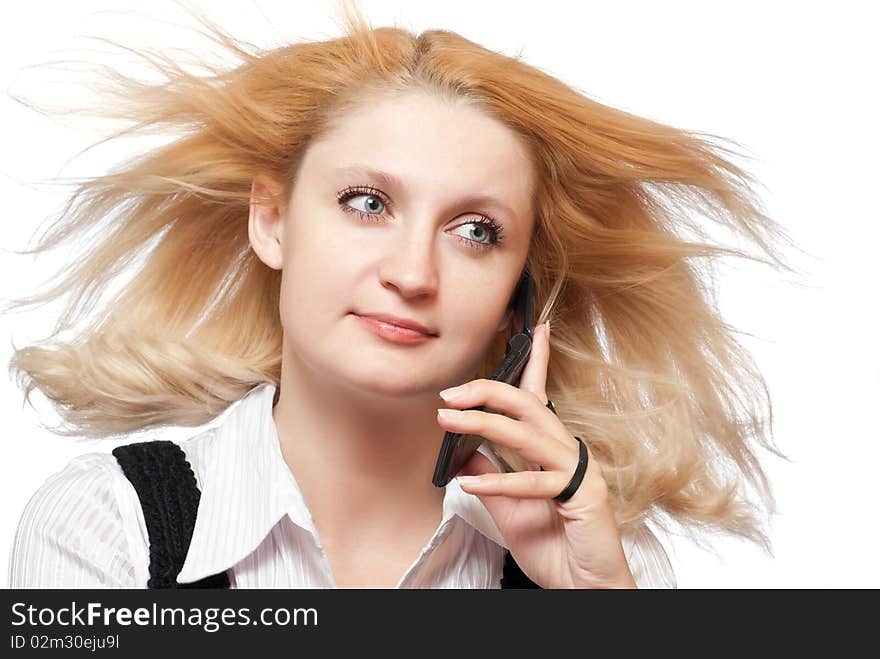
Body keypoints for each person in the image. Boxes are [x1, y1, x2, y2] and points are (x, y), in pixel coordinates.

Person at [4, 1, 797, 589]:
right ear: (272, 222)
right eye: (368, 203)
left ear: (519, 301)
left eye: (476, 230)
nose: (414, 273)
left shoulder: (598, 558)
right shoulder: (105, 528)